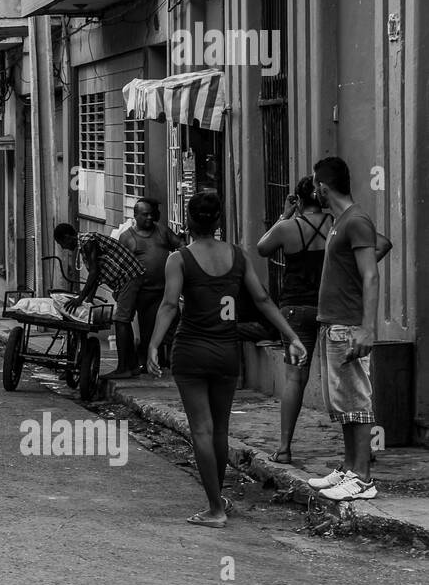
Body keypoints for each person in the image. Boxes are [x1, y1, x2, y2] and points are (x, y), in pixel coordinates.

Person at [147, 192, 306, 528]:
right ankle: (217, 500)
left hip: (191, 352)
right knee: (219, 430)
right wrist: (291, 336)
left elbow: (169, 306)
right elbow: (262, 298)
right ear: (218, 221)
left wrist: (152, 345)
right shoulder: (237, 255)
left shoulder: (178, 259)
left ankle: (215, 509)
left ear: (188, 221)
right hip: (226, 353)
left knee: (201, 431)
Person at [305, 157, 393, 503]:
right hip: (335, 322)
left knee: (357, 402)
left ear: (323, 187)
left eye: (316, 184)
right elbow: (381, 245)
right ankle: (349, 468)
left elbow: (371, 274)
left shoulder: (355, 220)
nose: (314, 190)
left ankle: (363, 478)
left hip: (349, 324)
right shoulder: (344, 221)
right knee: (344, 404)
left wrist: (366, 327)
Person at [255, 176, 331, 464]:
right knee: (342, 377)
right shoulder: (335, 225)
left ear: (299, 200)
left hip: (295, 311)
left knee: (295, 379)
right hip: (330, 306)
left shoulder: (288, 228)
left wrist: (284, 215)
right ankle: (360, 449)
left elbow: (262, 247)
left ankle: (285, 448)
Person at [53, 222, 145, 378]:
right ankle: (132, 366)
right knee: (124, 320)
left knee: (120, 320)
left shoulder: (88, 242)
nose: (63, 248)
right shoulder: (84, 246)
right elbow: (96, 277)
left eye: (62, 243)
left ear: (68, 237)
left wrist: (80, 298)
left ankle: (123, 368)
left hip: (129, 277)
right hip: (125, 280)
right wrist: (87, 301)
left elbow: (94, 273)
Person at [119, 198, 184, 374]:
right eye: (144, 214)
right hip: (144, 294)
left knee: (173, 327)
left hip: (165, 291)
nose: (149, 218)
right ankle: (149, 364)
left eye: (151, 214)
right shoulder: (127, 238)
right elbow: (120, 266)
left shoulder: (161, 230)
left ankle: (173, 363)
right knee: (148, 331)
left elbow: (180, 245)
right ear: (135, 216)